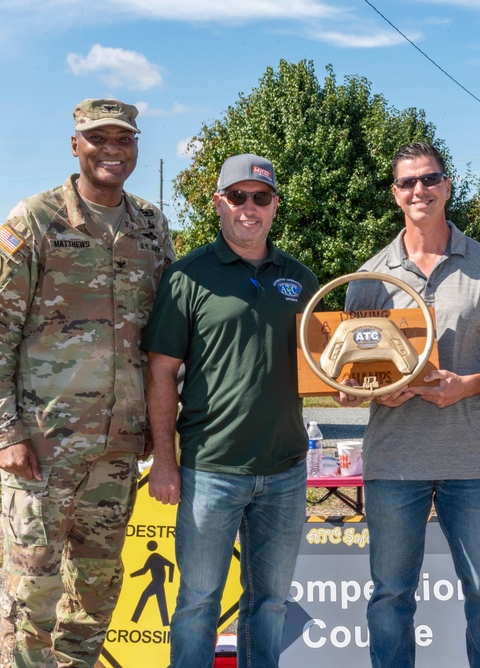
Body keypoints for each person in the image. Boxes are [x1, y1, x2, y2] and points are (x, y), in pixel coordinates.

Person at [0, 98, 175, 667]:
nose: (112, 150)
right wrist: (4, 432)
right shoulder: (35, 220)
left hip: (119, 446)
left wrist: (163, 433)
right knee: (33, 590)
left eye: (123, 140)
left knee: (98, 588)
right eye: (98, 139)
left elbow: (169, 336)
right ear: (75, 144)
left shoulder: (152, 228)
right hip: (42, 445)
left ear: (136, 147)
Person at [338, 141, 480, 667]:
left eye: (429, 179)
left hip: (472, 462)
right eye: (407, 182)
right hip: (394, 461)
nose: (419, 190)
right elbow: (350, 374)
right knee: (391, 596)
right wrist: (376, 390)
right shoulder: (370, 277)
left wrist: (467, 385)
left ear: (447, 186)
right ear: (394, 194)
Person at [142, 153, 319, 668]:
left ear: (274, 206)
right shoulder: (188, 277)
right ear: (219, 202)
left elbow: (322, 366)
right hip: (208, 471)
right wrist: (165, 460)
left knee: (269, 604)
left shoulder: (301, 279)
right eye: (237, 196)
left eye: (260, 198)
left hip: (286, 472)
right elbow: (159, 374)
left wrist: (352, 385)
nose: (249, 208)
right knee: (198, 603)